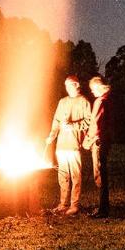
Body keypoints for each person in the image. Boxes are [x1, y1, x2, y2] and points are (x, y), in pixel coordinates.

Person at [45, 75, 91, 215]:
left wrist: (74, 125)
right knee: (63, 175)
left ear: (77, 85)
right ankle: (63, 203)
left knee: (75, 176)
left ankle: (74, 204)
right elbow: (56, 121)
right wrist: (52, 135)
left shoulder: (83, 102)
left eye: (70, 84)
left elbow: (89, 121)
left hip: (74, 145)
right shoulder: (62, 102)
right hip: (61, 146)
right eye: (65, 85)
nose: (67, 87)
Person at [84, 75, 113, 218]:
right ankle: (103, 207)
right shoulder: (107, 100)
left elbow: (96, 124)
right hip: (104, 141)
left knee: (100, 174)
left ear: (97, 87)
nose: (92, 92)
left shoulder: (100, 101)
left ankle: (103, 210)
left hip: (99, 141)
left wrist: (88, 139)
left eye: (92, 89)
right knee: (102, 173)